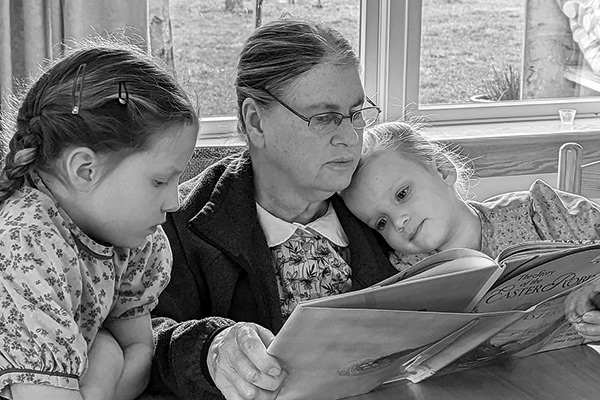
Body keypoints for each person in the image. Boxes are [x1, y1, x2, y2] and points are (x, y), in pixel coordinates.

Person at [148, 18, 397, 400]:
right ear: (255, 120)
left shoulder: (387, 203)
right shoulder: (177, 222)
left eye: (356, 114)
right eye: (324, 117)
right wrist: (209, 349)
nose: (349, 137)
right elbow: (142, 334)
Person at [0, 41, 199, 400]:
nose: (175, 201)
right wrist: (106, 356)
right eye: (159, 181)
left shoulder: (131, 237)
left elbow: (141, 356)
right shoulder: (23, 245)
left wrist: (102, 366)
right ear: (85, 169)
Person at [339, 120, 600, 342]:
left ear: (442, 170)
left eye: (402, 194)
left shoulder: (539, 212)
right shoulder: (407, 275)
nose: (398, 222)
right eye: (381, 222)